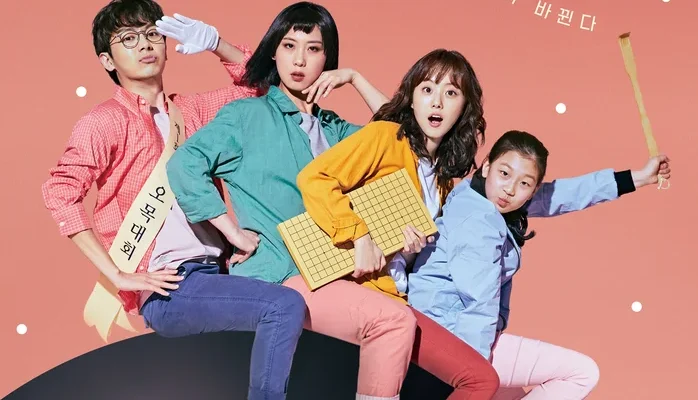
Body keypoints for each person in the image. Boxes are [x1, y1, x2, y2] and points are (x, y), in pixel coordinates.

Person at [41, 1, 307, 399]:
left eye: (152, 34)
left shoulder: (192, 110)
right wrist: (118, 275)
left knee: (311, 283)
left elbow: (262, 87)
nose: (144, 44)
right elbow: (59, 193)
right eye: (128, 38)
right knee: (283, 306)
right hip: (173, 287)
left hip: (219, 272)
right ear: (107, 60)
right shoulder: (104, 121)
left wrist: (216, 44)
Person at [166, 3, 428, 400]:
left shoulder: (336, 129)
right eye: (289, 46)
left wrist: (355, 78)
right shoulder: (246, 115)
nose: (300, 60)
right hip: (282, 275)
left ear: (328, 58)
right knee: (394, 321)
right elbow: (185, 164)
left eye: (313, 49)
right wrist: (232, 232)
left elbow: (404, 137)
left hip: (337, 272)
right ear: (274, 52)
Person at [295, 49, 501, 399]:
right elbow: (315, 178)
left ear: (464, 107)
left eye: (451, 93)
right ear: (412, 97)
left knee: (481, 379)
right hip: (352, 284)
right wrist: (359, 236)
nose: (437, 102)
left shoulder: (444, 180)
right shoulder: (386, 137)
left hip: (397, 295)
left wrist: (413, 250)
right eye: (427, 89)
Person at [407, 130, 671, 399]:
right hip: (451, 335)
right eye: (504, 173)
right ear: (487, 166)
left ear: (533, 189)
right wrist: (471, 375)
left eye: (524, 183)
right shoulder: (479, 223)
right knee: (581, 372)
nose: (510, 189)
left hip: (440, 325)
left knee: (515, 395)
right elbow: (479, 301)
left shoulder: (477, 193)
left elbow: (561, 195)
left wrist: (637, 178)